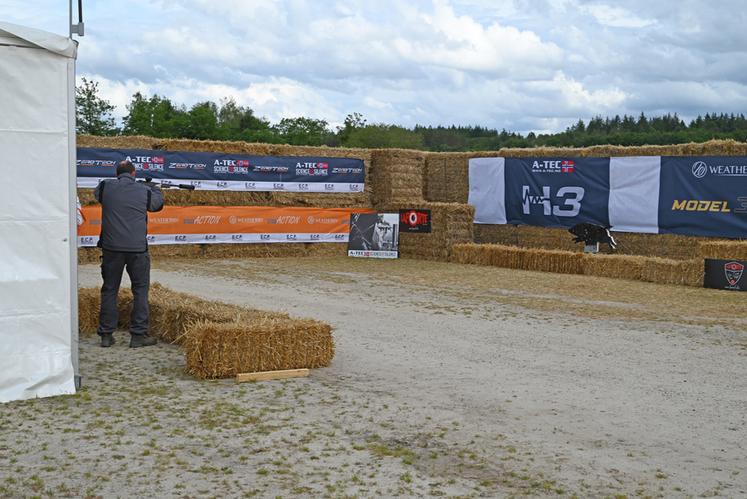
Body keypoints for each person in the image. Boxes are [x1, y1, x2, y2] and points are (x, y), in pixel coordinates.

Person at [94, 160, 164, 348]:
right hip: (137, 250)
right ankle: (138, 335)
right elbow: (157, 205)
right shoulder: (144, 191)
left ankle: (106, 335)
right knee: (140, 291)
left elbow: (98, 193)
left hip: (111, 249)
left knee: (109, 290)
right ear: (134, 173)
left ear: (117, 173)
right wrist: (155, 189)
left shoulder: (105, 187)